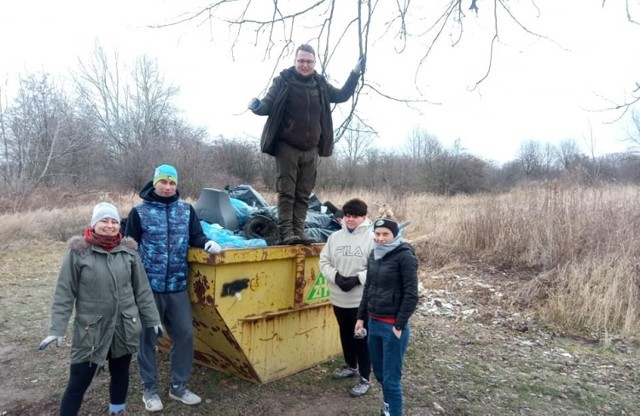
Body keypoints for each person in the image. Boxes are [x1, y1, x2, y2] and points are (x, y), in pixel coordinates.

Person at [39, 202, 162, 416]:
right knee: (79, 380)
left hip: (124, 325)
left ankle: (117, 411)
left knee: (121, 372)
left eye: (114, 221)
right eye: (104, 220)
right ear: (94, 224)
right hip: (91, 329)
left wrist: (153, 320)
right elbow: (64, 292)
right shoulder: (79, 253)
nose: (109, 225)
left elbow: (142, 290)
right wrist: (56, 329)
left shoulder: (129, 252)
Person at [124, 164, 222, 412]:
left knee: (185, 336)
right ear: (154, 183)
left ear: (176, 185)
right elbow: (129, 248)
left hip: (178, 286)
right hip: (148, 288)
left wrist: (208, 242)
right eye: (163, 182)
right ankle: (150, 390)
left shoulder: (186, 210)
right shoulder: (140, 212)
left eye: (172, 183)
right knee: (147, 339)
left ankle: (178, 387)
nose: (167, 187)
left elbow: (195, 237)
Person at [248, 43, 366, 245]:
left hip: (311, 149)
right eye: (301, 61)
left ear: (314, 63)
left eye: (309, 61)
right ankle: (286, 232)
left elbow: (342, 95)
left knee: (303, 193)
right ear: (295, 61)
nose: (305, 65)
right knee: (287, 191)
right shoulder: (284, 81)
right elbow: (268, 104)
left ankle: (299, 231)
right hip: (287, 146)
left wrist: (355, 73)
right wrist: (257, 106)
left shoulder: (319, 84)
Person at [355, 216, 419, 416]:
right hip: (373, 323)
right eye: (377, 234)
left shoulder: (405, 256)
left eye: (386, 234)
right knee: (380, 373)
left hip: (392, 327)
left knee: (391, 378)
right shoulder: (374, 254)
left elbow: (411, 294)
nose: (381, 238)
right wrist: (360, 318)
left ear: (395, 235)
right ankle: (388, 406)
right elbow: (368, 288)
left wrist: (399, 325)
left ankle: (393, 411)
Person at [319, 198, 374, 397]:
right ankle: (352, 367)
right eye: (348, 216)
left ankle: (365, 378)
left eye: (355, 217)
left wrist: (358, 279)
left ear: (364, 218)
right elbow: (324, 261)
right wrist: (336, 276)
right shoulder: (334, 237)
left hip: (360, 300)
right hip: (338, 297)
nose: (350, 220)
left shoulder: (372, 239)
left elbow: (378, 267)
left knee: (360, 338)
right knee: (344, 334)